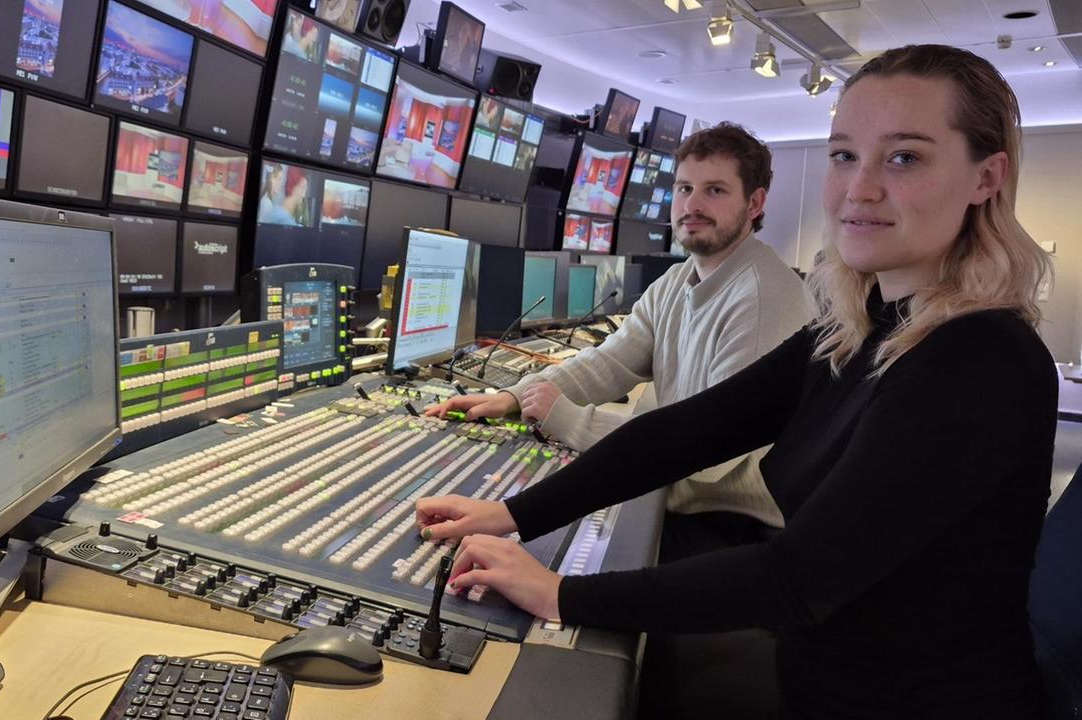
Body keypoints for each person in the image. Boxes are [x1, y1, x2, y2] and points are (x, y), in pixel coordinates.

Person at [417, 44, 1056, 717]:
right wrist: (515, 513)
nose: (859, 188)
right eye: (844, 155)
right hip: (820, 675)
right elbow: (687, 431)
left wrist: (559, 594)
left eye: (904, 157)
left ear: (987, 177)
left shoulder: (981, 359)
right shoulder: (860, 327)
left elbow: (797, 577)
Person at [428, 122, 815, 559]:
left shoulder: (763, 298)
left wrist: (574, 422)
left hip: (729, 528)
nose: (692, 205)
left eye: (715, 191)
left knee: (537, 565)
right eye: (685, 188)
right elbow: (610, 362)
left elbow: (713, 452)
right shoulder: (677, 280)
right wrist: (512, 398)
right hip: (673, 496)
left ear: (754, 203)